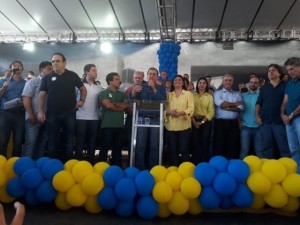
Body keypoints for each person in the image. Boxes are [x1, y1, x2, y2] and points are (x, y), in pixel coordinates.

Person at [38, 52, 87, 161]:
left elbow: (83, 89)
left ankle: (67, 165)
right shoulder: (47, 78)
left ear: (64, 63)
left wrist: (82, 100)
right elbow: (41, 95)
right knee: (52, 141)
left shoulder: (72, 75)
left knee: (69, 140)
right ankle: (52, 166)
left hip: (69, 113)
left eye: (58, 61)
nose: (55, 63)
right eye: (53, 61)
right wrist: (40, 111)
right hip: (52, 114)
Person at [129, 67, 166, 169]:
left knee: (154, 145)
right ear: (147, 75)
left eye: (154, 74)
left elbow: (163, 99)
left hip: (155, 118)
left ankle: (153, 168)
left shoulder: (161, 87)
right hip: (142, 118)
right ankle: (139, 167)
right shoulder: (142, 86)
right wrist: (133, 92)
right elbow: (132, 99)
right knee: (140, 145)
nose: (152, 76)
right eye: (150, 74)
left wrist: (154, 88)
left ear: (157, 76)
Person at [256, 64, 290, 159]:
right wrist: (257, 116)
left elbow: (289, 102)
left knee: (284, 149)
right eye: (269, 71)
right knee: (266, 149)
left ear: (279, 73)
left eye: (273, 70)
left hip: (281, 122)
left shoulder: (286, 86)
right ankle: (268, 171)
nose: (270, 72)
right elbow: (258, 103)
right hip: (265, 122)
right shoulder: (264, 88)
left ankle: (287, 171)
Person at [22, 61, 53, 159]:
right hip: (33, 118)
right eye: (49, 69)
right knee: (30, 144)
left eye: (52, 69)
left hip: (47, 119)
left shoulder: (52, 83)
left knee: (42, 144)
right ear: (41, 70)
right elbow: (26, 98)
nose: (51, 71)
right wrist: (31, 114)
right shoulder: (32, 82)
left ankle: (37, 166)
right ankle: (25, 167)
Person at [99, 72, 128, 167]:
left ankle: (117, 167)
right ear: (109, 81)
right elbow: (108, 105)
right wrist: (120, 107)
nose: (119, 81)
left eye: (118, 79)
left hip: (119, 125)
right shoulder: (104, 93)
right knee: (105, 147)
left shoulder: (122, 94)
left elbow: (126, 106)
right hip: (107, 125)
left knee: (118, 148)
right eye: (116, 79)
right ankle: (101, 167)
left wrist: (115, 104)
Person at [75, 64, 102, 164]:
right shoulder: (79, 85)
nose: (96, 72)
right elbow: (72, 99)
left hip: (95, 118)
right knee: (80, 142)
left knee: (92, 142)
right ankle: (78, 164)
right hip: (80, 117)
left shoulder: (98, 86)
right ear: (87, 72)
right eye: (93, 70)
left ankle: (90, 163)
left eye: (96, 70)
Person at [165, 75, 194, 166]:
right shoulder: (168, 95)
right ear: (173, 83)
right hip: (171, 127)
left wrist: (180, 113)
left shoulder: (188, 94)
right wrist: (169, 112)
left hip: (184, 126)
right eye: (175, 80)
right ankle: (175, 169)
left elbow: (191, 109)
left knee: (184, 148)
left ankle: (186, 169)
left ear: (183, 82)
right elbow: (163, 109)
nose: (177, 81)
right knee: (173, 149)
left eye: (179, 80)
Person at [213, 74, 243, 159]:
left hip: (233, 123)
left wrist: (226, 108)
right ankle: (218, 165)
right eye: (226, 80)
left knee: (233, 146)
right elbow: (221, 104)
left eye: (230, 80)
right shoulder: (217, 93)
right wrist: (235, 104)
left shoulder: (237, 94)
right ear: (222, 82)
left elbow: (240, 108)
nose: (228, 82)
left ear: (232, 82)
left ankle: (232, 167)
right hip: (220, 123)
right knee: (219, 145)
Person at [0, 60, 26, 157]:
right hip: (5, 114)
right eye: (14, 65)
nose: (17, 67)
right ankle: (2, 163)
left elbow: (28, 97)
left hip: (19, 114)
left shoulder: (25, 83)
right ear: (11, 69)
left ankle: (14, 164)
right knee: (2, 141)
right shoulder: (3, 81)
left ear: (22, 69)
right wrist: (3, 87)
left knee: (18, 142)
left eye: (19, 66)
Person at [281, 57, 300, 165]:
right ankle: (297, 175)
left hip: (297, 118)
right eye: (288, 70)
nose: (289, 72)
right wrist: (282, 114)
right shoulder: (290, 83)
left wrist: (291, 115)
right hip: (289, 120)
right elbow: (285, 101)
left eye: (291, 69)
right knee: (293, 149)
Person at [192, 77, 215, 163]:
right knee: (195, 142)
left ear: (206, 85)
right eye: (200, 83)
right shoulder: (192, 96)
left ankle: (204, 162)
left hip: (205, 121)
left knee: (205, 142)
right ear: (197, 84)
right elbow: (190, 109)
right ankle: (195, 163)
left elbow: (211, 111)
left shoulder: (209, 97)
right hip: (194, 120)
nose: (201, 84)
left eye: (204, 83)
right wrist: (194, 122)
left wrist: (201, 122)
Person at [240, 76, 261, 159]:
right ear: (249, 84)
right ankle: (240, 170)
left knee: (259, 150)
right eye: (251, 82)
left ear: (259, 84)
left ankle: (262, 170)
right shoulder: (242, 96)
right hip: (245, 126)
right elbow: (239, 111)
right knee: (244, 150)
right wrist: (239, 122)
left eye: (255, 83)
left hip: (259, 127)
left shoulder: (261, 95)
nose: (253, 84)